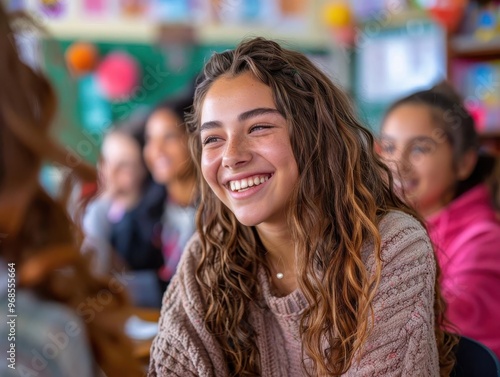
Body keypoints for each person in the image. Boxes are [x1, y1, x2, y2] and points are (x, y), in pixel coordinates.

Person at [148, 37, 457, 376]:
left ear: (314, 135)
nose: (232, 156)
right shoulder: (205, 259)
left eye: (259, 127)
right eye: (213, 138)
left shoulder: (392, 248)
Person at [0, 5, 143, 377]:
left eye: (125, 165)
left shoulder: (146, 214)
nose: (112, 174)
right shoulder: (94, 210)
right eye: (108, 164)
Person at [379, 83, 500, 358]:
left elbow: (434, 326)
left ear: (464, 162)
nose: (398, 163)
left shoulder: (485, 240)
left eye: (420, 148)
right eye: (388, 146)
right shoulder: (394, 226)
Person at [143, 93, 198, 290]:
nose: (156, 149)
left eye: (169, 137)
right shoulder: (152, 211)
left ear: (194, 138)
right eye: (150, 139)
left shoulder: (222, 210)